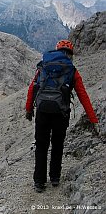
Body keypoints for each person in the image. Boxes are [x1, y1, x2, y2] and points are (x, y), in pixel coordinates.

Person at [25, 39, 99, 193]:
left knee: (41, 146)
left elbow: (33, 88)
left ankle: (39, 182)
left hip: (43, 111)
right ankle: (55, 177)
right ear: (70, 55)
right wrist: (93, 118)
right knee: (57, 144)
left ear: (57, 50)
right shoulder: (72, 70)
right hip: (61, 113)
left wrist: (29, 110)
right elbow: (83, 95)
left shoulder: (43, 66)